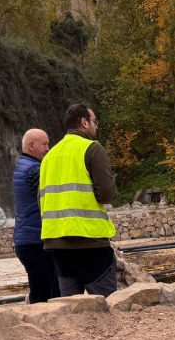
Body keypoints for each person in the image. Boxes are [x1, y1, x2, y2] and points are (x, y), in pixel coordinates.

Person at [39, 103, 118, 296]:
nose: (96, 126)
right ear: (84, 122)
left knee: (72, 309)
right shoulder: (92, 149)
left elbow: (41, 199)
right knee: (107, 304)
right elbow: (107, 194)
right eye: (94, 121)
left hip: (57, 242)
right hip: (89, 240)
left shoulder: (50, 156)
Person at [12, 128, 60, 303]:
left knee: (47, 291)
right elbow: (55, 198)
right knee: (45, 296)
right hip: (35, 242)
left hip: (28, 240)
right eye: (44, 144)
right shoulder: (35, 171)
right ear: (31, 146)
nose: (48, 148)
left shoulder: (24, 166)